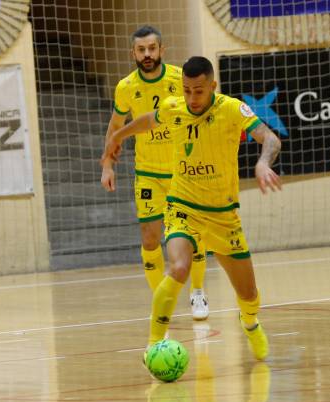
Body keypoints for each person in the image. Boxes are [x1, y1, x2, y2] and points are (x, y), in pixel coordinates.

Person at [102, 56, 282, 361]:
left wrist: (263, 163)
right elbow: (148, 120)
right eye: (186, 90)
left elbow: (270, 137)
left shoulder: (232, 108)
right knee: (180, 268)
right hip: (182, 207)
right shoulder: (175, 108)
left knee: (248, 295)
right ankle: (154, 344)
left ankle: (250, 323)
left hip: (224, 216)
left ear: (212, 85)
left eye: (198, 91)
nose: (191, 97)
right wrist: (118, 136)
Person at [100, 26, 210, 320]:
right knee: (150, 239)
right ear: (133, 53)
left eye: (151, 48)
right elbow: (115, 127)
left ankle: (197, 292)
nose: (147, 54)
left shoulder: (180, 78)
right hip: (147, 173)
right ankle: (160, 298)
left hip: (182, 172)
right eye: (141, 50)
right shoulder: (125, 87)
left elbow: (202, 113)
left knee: (192, 235)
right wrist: (108, 165)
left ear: (162, 49)